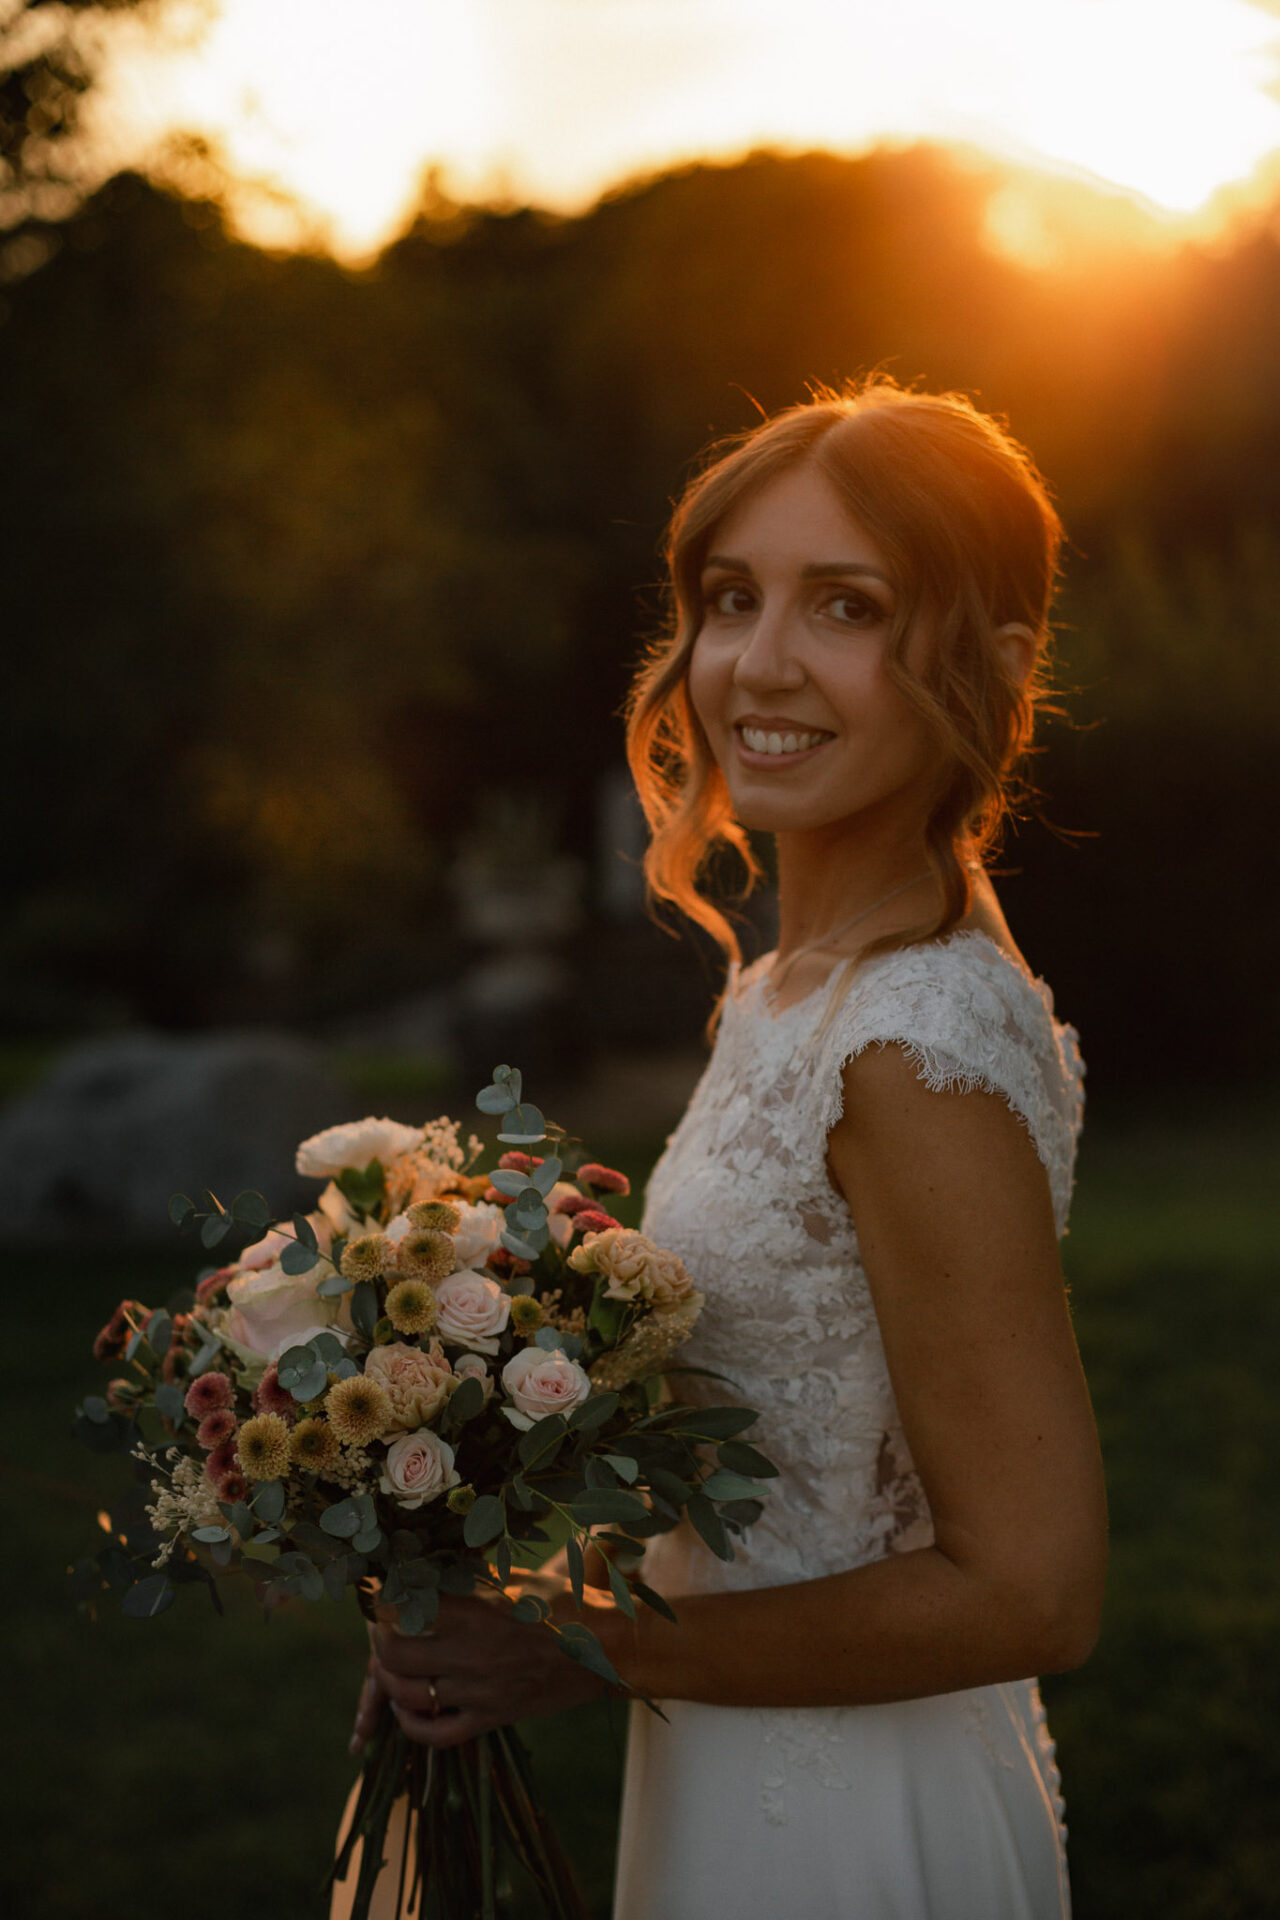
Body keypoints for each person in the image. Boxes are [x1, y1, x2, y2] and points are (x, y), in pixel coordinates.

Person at [345, 378, 1108, 1919]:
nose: (758, 663)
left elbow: (1033, 1588)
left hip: (847, 1817)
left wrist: (577, 1651)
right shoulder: (785, 992)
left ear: (995, 667)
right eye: (730, 598)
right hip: (735, 1753)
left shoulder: (908, 1048)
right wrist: (508, 1582)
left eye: (847, 605)